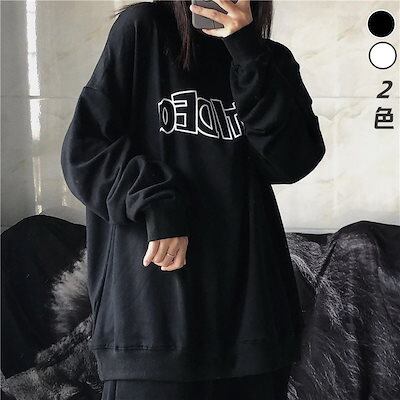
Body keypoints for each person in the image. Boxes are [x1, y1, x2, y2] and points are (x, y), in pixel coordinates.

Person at [60, 0, 325, 398]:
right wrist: (158, 205)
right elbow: (87, 149)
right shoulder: (143, 29)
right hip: (153, 322)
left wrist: (246, 51)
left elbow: (291, 161)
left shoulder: (268, 60)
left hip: (253, 324)